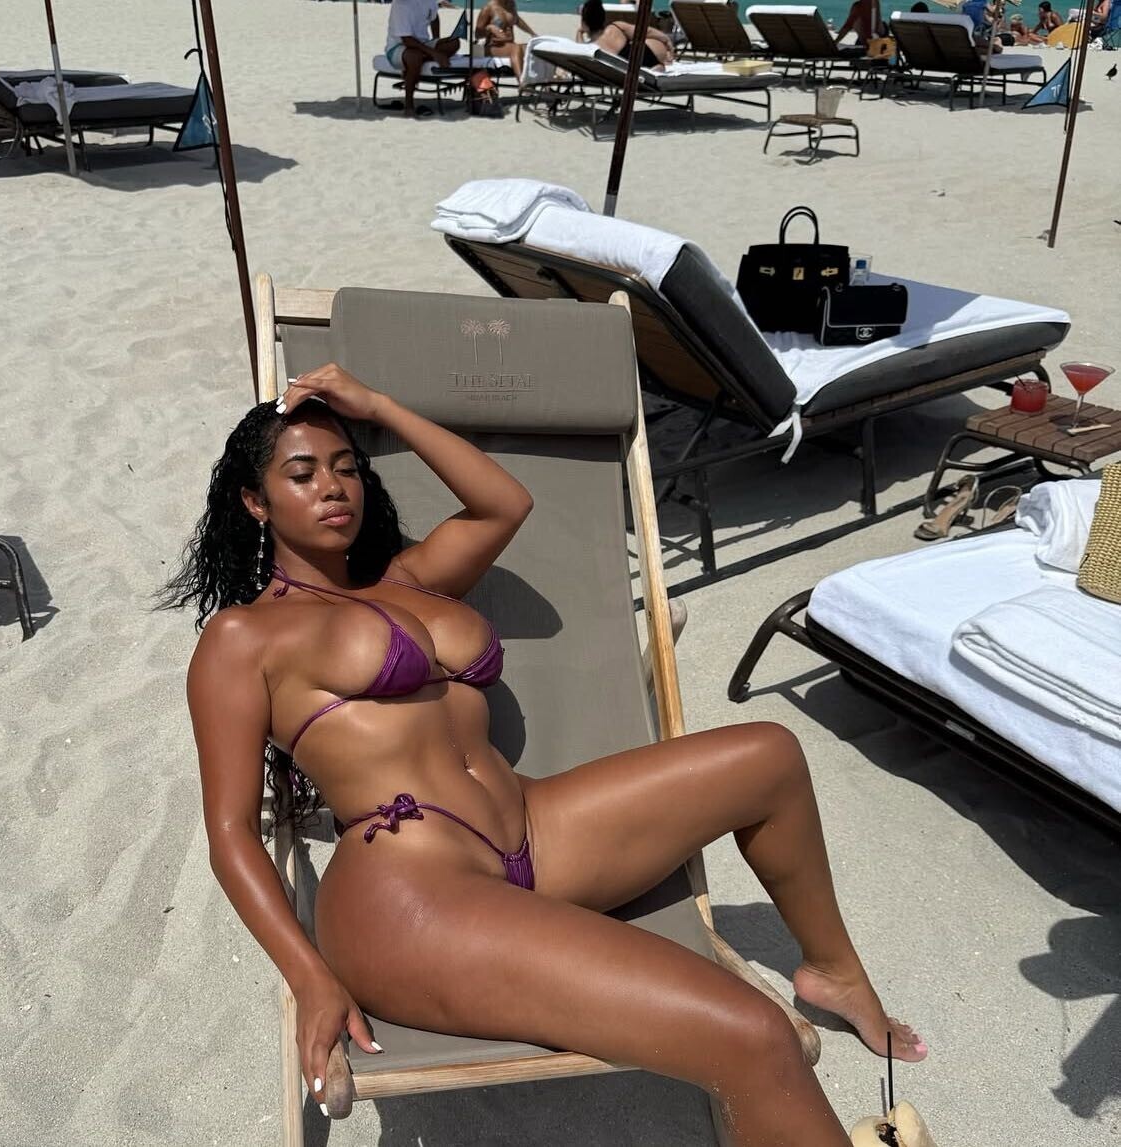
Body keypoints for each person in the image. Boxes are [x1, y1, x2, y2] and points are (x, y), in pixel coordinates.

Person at [166, 366, 929, 1147]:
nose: (333, 487)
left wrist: (382, 406)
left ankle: (833, 972)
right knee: (752, 1032)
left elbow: (505, 503)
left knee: (768, 755)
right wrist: (309, 974)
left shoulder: (408, 578)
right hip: (408, 896)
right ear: (255, 502)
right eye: (302, 474)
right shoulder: (242, 639)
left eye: (346, 467)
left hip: (531, 829)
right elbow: (231, 832)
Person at [383, 0, 461, 117]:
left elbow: (434, 18)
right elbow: (407, 40)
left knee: (454, 42)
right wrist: (434, 53)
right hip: (398, 46)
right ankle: (409, 106)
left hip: (423, 44)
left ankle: (422, 59)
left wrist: (436, 40)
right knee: (415, 57)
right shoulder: (401, 4)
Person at [578, 0, 676, 67]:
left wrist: (579, 33)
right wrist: (667, 41)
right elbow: (646, 31)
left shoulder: (589, 47)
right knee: (641, 43)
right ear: (603, 18)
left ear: (585, 24)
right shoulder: (616, 27)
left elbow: (577, 51)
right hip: (645, 58)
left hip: (624, 70)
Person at [477, 0, 536, 84]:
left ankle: (546, 83)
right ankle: (522, 83)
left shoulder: (511, 4)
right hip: (492, 46)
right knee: (515, 48)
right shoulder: (488, 8)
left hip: (509, 44)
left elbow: (517, 20)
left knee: (533, 47)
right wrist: (489, 28)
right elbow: (477, 34)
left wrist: (532, 33)